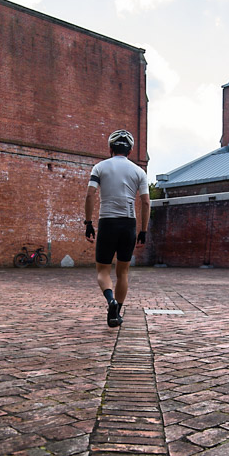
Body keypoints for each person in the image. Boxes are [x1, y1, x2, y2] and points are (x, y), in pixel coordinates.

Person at [85, 129, 149, 328]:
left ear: (110, 148)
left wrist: (88, 223)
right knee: (123, 272)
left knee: (102, 270)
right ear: (130, 151)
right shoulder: (139, 171)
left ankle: (110, 300)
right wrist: (143, 231)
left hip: (107, 222)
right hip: (128, 223)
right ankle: (116, 313)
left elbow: (90, 195)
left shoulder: (99, 167)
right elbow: (146, 202)